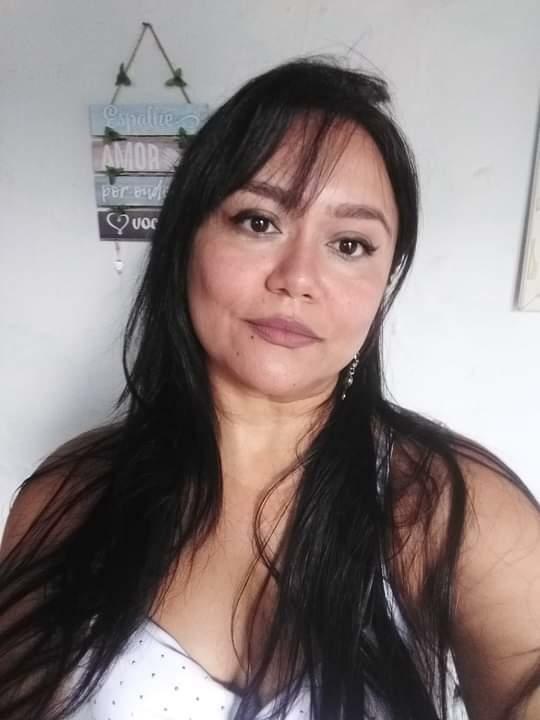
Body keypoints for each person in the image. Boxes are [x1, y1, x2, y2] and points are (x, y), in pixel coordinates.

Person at [0, 56, 538, 720]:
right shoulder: (69, 494)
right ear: (186, 239)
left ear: (385, 282)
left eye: (349, 244)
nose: (297, 278)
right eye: (259, 221)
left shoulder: (449, 508)